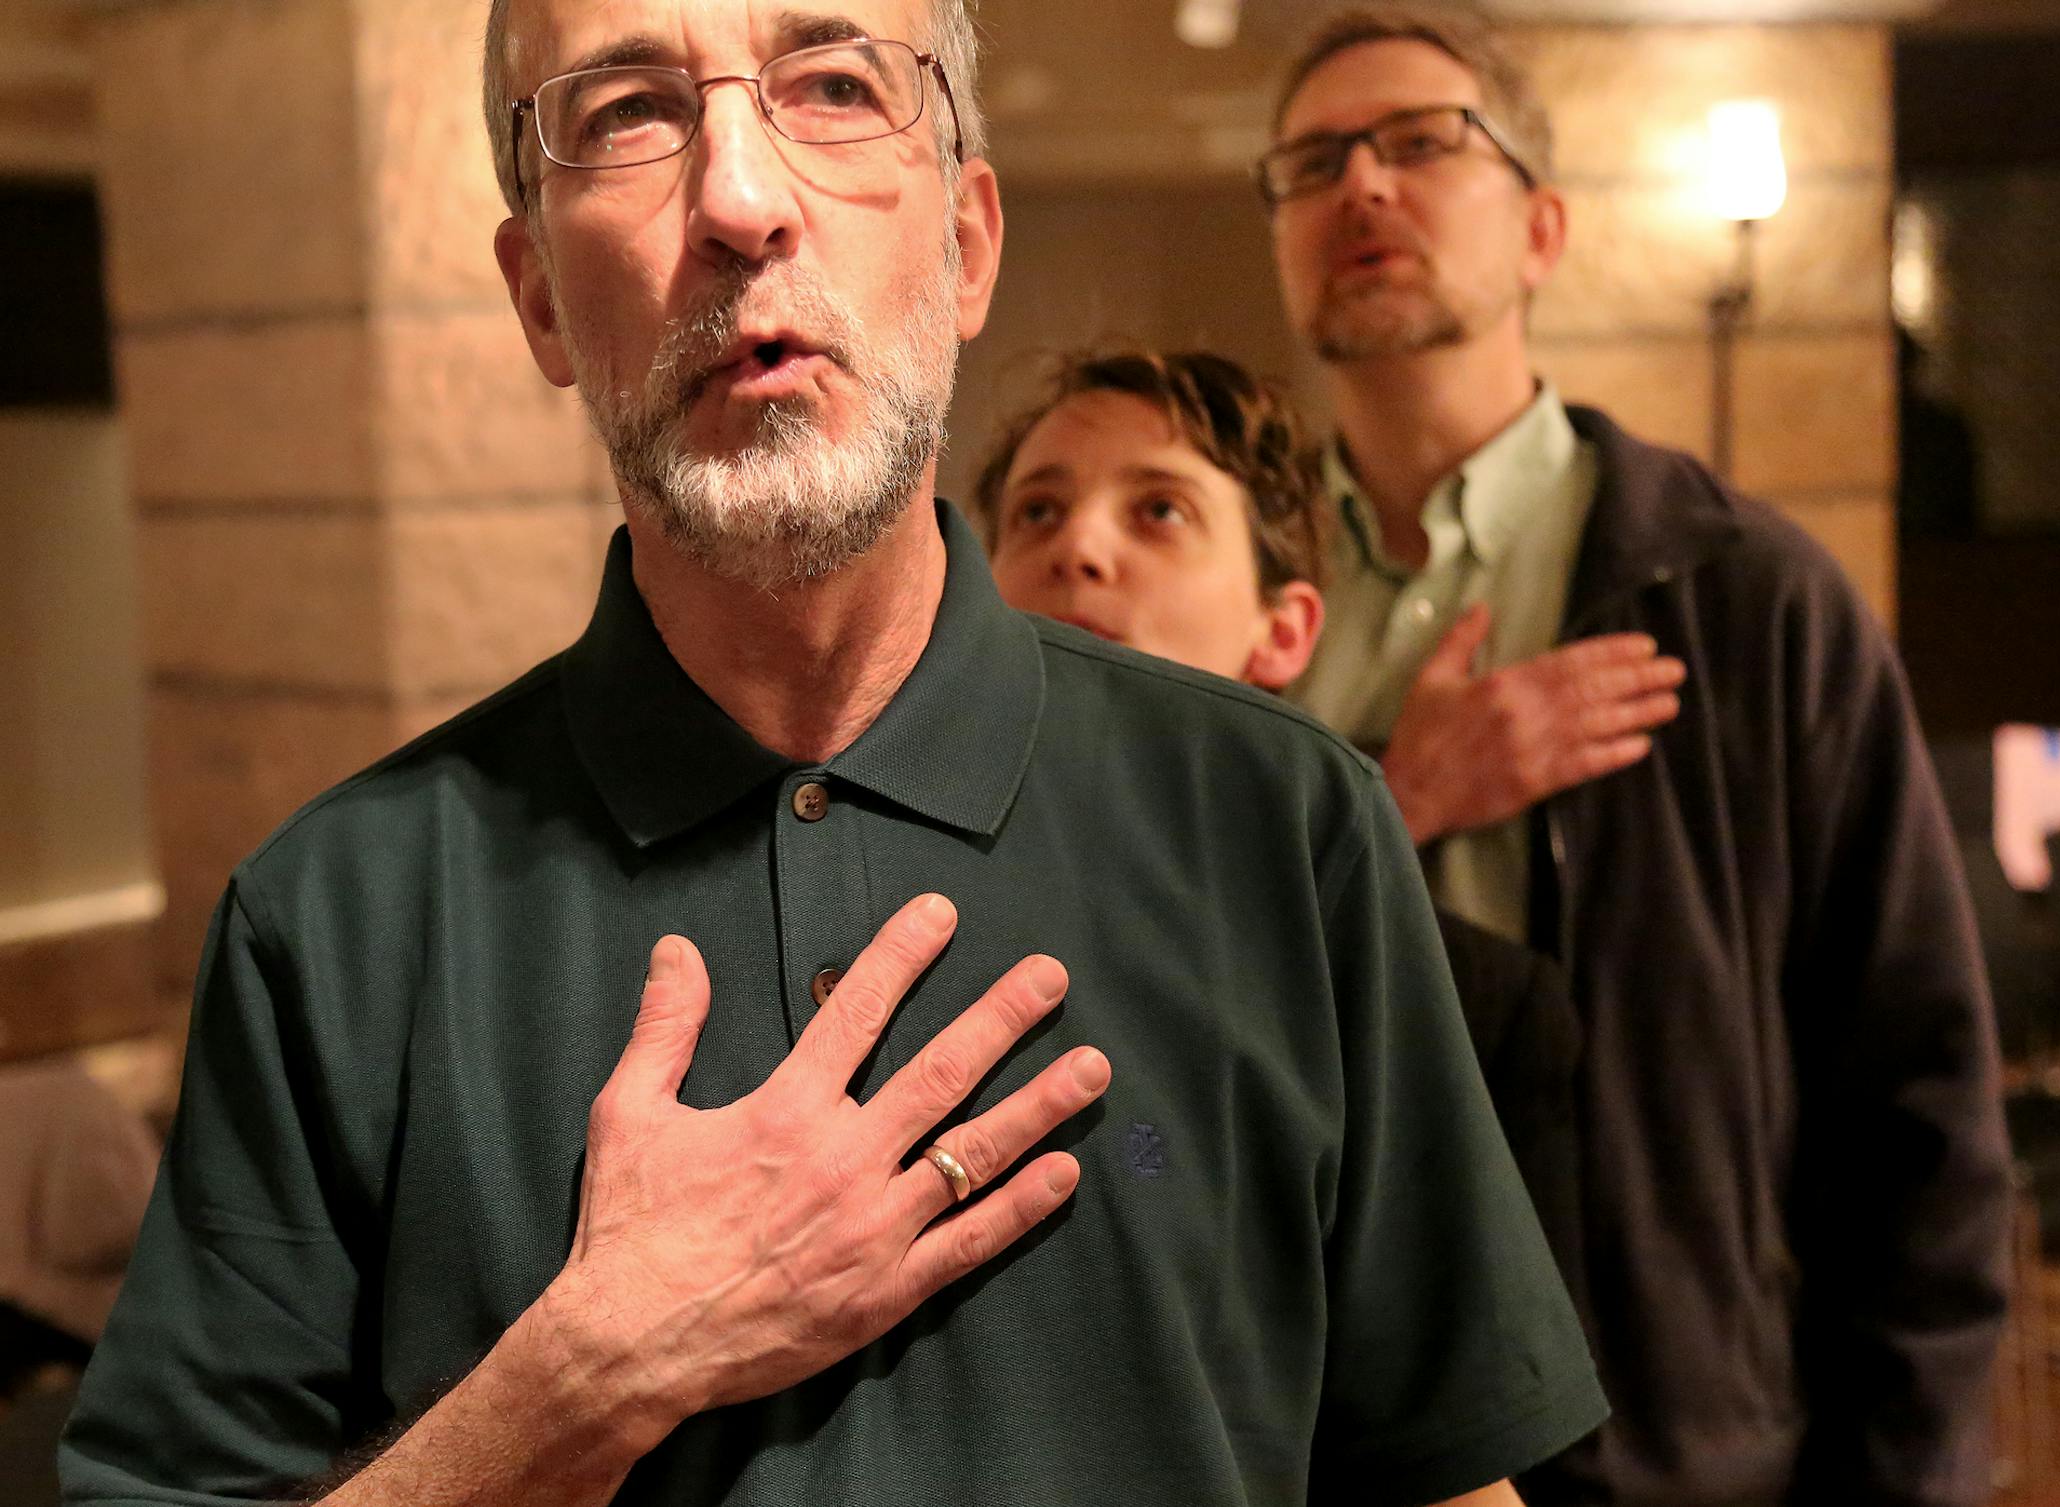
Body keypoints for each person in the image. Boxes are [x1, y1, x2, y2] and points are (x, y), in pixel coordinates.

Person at [60, 4, 1606, 1505]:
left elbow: (1434, 1469)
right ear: (538, 300)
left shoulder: (1286, 822)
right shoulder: (331, 917)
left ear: (969, 243)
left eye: (837, 86)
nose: (739, 201)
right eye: (627, 114)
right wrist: (584, 1379)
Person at [1258, 8, 2013, 1506]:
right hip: (1311, 1433)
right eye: (1313, 162)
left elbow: (1917, 1104)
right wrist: (1389, 793)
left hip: (1673, 1431)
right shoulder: (1213, 594)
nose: (1364, 188)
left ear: (1542, 230)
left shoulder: (1744, 595)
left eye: (1422, 143)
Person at [975, 345, 1585, 1309]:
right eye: (1036, 510)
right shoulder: (901, 933)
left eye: (1160, 510)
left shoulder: (1466, 1014)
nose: (1077, 548)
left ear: (1286, 631)